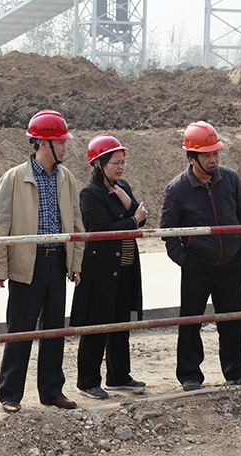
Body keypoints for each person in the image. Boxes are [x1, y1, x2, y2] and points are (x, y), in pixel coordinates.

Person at [0, 110, 84, 414]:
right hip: (27, 263)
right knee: (21, 331)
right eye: (61, 142)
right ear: (44, 143)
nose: (66, 147)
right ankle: (10, 393)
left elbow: (76, 223)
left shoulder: (66, 178)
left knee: (54, 331)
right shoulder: (14, 178)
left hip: (57, 262)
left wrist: (75, 263)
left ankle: (51, 390)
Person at [159, 121, 241, 392]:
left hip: (232, 263)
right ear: (191, 157)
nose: (213, 159)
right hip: (197, 265)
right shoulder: (176, 189)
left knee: (233, 320)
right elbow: (168, 232)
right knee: (191, 321)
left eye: (216, 153)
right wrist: (186, 262)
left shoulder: (231, 179)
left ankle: (236, 372)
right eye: (206, 155)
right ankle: (190, 375)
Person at [70, 134, 147, 400]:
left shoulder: (122, 186)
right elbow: (102, 229)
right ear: (99, 164)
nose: (121, 167)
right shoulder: (89, 194)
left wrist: (127, 202)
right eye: (115, 162)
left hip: (125, 269)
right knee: (97, 326)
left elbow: (142, 217)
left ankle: (118, 376)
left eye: (123, 162)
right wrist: (132, 220)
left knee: (120, 325)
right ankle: (87, 381)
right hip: (100, 271)